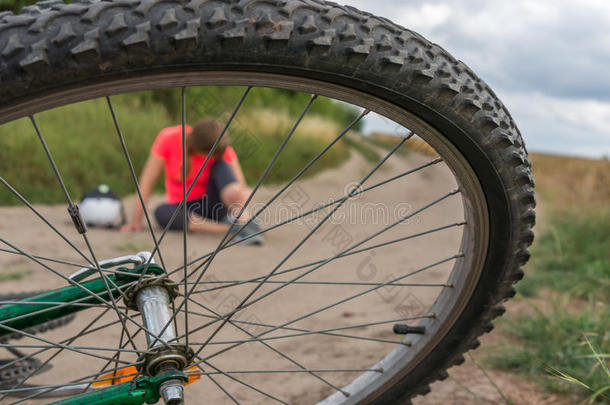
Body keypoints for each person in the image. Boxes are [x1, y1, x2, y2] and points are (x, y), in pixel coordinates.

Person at [121, 118, 263, 245]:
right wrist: (136, 221)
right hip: (184, 209)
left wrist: (242, 208)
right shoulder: (168, 138)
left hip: (215, 205)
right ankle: (232, 229)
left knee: (222, 167)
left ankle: (244, 222)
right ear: (200, 149)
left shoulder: (220, 147)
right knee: (161, 212)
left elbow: (240, 187)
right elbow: (148, 180)